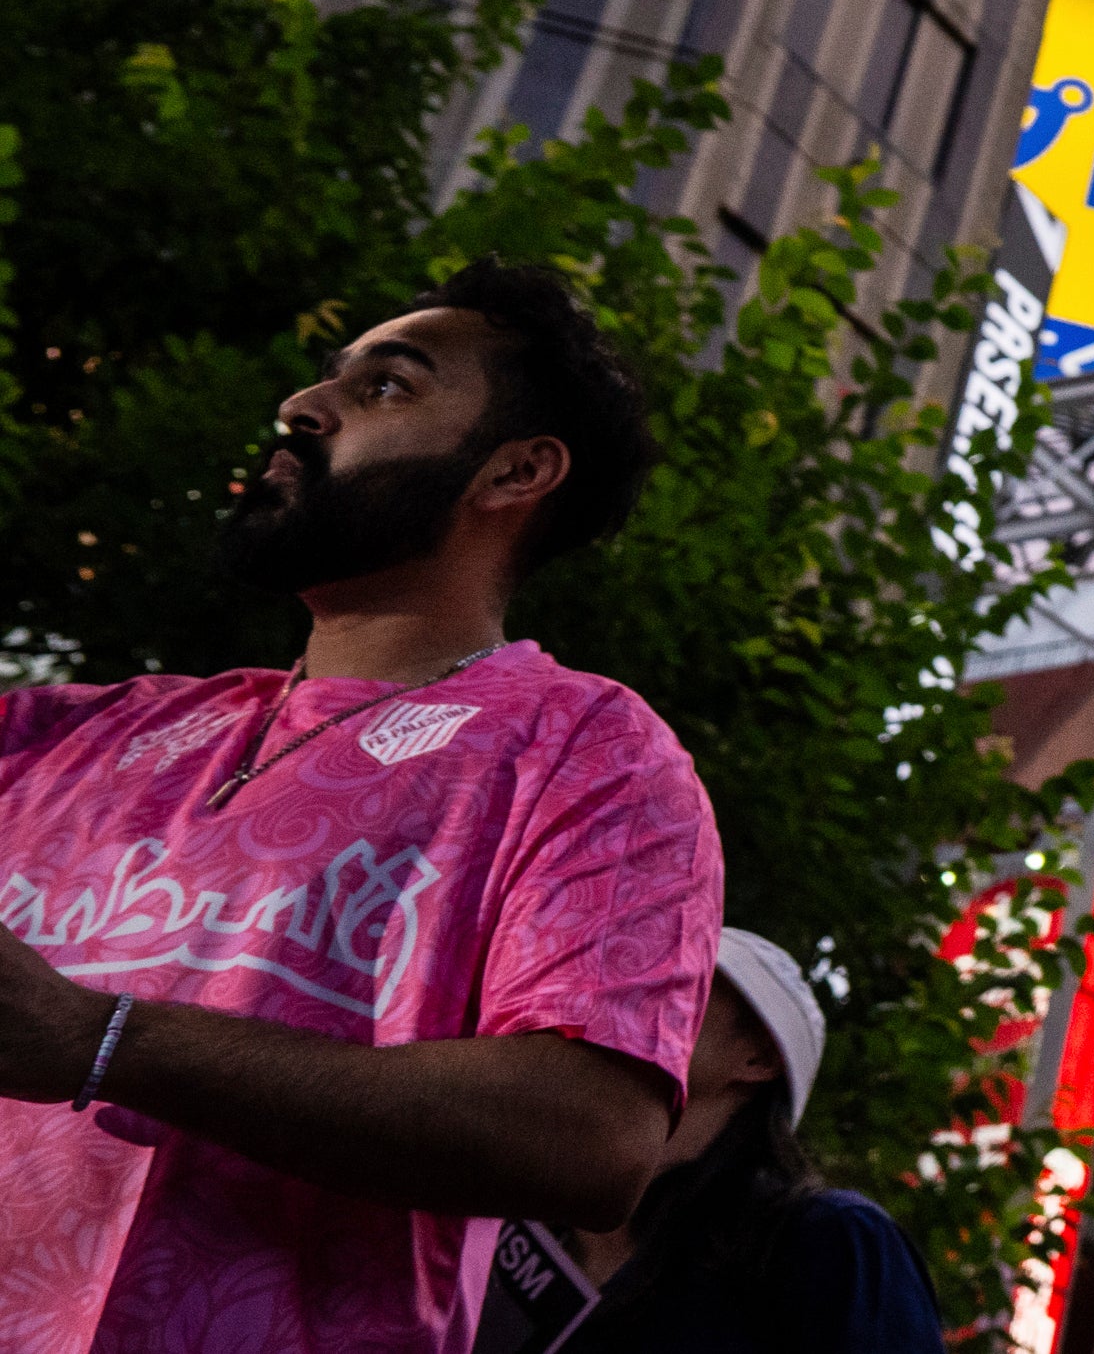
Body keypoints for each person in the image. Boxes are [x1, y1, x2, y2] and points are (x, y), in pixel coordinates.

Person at [0, 259, 724, 1351]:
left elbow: (589, 1136)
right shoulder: (70, 734)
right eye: (327, 378)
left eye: (386, 385)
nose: (301, 407)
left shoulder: (593, 754)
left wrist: (102, 1041)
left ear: (515, 471)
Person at [565, 926, 944, 1352]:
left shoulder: (830, 1243)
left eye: (683, 984)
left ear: (759, 1057)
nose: (638, 989)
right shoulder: (532, 1209)